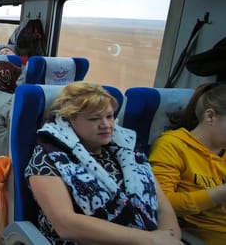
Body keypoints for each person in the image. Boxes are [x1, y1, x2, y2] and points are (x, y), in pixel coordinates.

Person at [25, 82, 182, 245]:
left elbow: (160, 204)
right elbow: (66, 224)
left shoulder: (127, 150)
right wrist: (150, 240)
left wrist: (170, 236)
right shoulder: (48, 157)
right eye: (94, 119)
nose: (106, 125)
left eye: (109, 116)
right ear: (70, 119)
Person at [149, 83, 226, 245]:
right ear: (210, 116)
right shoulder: (173, 145)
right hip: (200, 236)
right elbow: (161, 204)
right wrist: (220, 193)